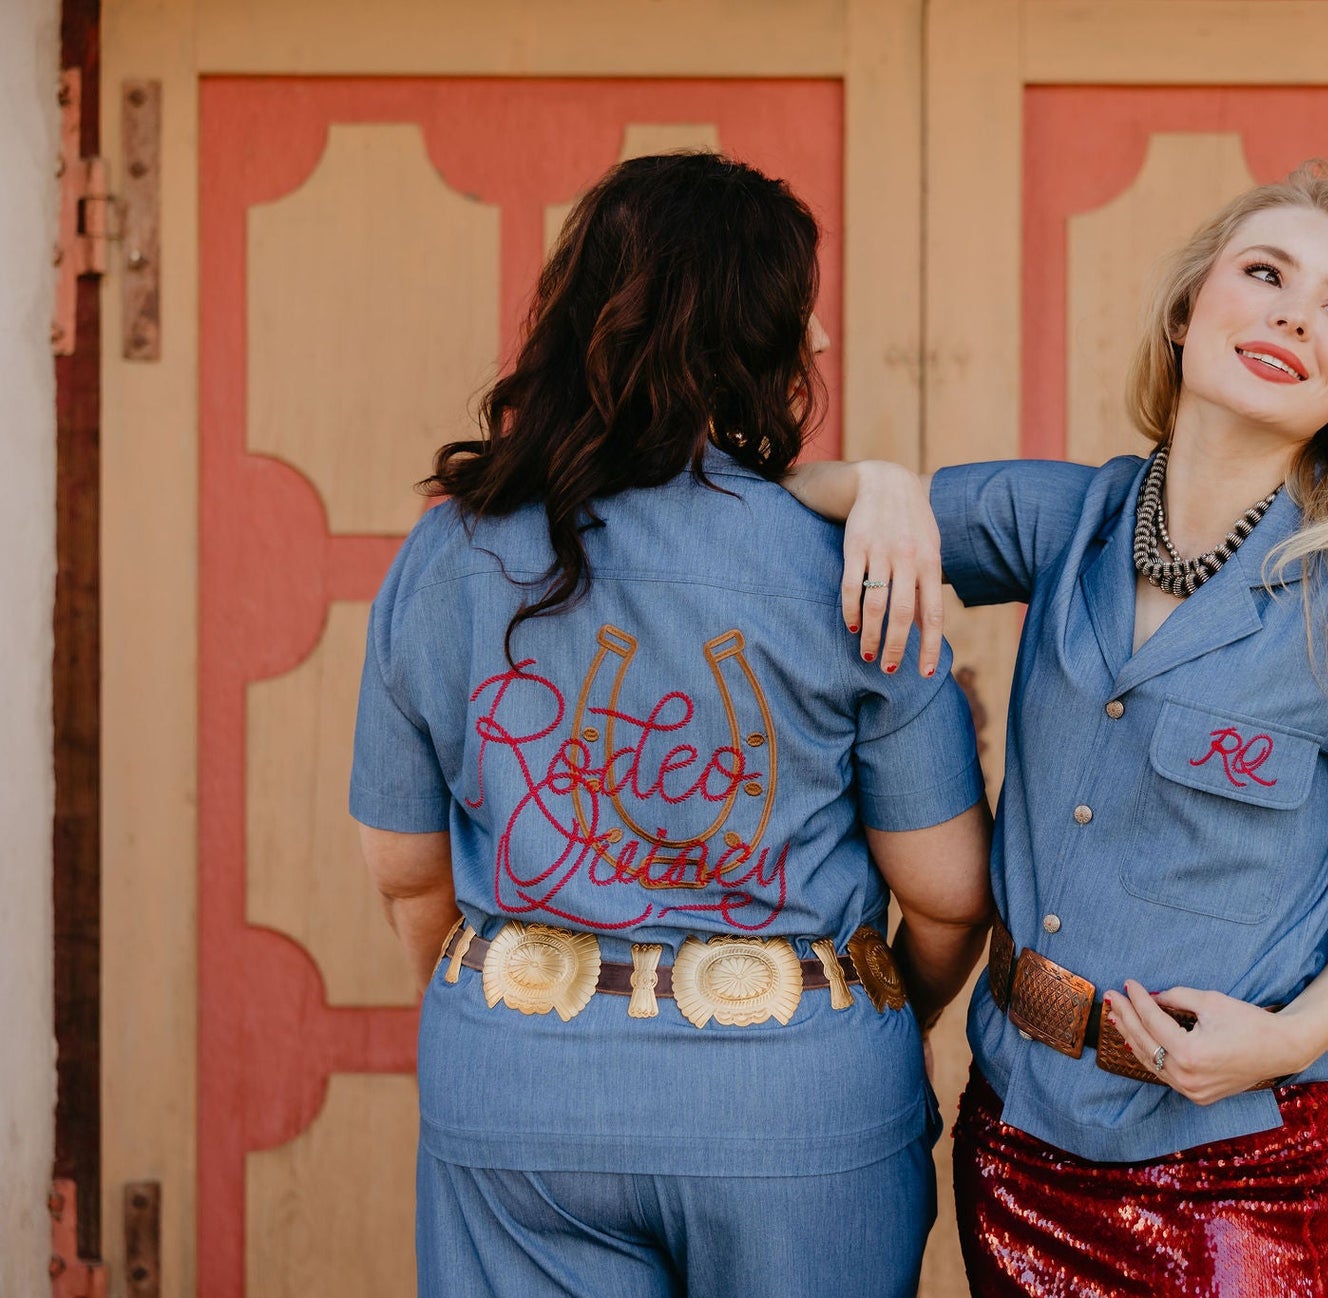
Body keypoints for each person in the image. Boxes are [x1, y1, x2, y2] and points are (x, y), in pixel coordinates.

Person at [785, 162, 1328, 1296]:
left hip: (1238, 1174)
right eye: (1264, 273)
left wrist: (1284, 1040)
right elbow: (785, 504)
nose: (1293, 315)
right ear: (1184, 313)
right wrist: (880, 485)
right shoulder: (1060, 519)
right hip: (1015, 1141)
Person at [348, 152, 993, 1298]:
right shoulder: (854, 570)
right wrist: (869, 1015)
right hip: (798, 1096)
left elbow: (405, 873)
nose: (821, 339)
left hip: (517, 1086)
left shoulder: (446, 551)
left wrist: (516, 1017)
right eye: (800, 309)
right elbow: (946, 893)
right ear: (756, 336)